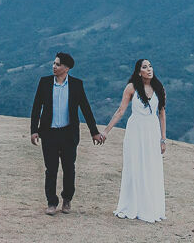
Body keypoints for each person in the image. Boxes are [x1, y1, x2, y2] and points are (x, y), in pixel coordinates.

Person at [30, 51, 103, 215]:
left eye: (57, 64)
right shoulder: (45, 83)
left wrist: (94, 132)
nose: (54, 67)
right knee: (51, 169)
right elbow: (36, 108)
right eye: (54, 63)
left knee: (69, 168)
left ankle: (67, 199)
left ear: (67, 68)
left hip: (68, 134)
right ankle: (51, 202)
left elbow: (86, 109)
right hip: (49, 133)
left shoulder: (76, 85)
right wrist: (34, 130)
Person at [102, 58, 166, 222]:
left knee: (151, 166)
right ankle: (132, 205)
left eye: (151, 66)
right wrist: (106, 131)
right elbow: (120, 111)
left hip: (152, 131)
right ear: (139, 72)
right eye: (145, 67)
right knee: (134, 165)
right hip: (135, 130)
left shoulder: (159, 88)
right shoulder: (131, 88)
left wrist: (163, 139)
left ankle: (150, 206)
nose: (149, 69)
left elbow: (162, 114)